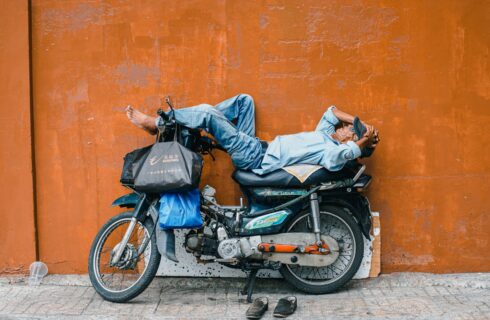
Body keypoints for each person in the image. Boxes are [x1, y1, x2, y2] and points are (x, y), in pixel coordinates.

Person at [126, 94, 379, 175]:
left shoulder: (331, 151)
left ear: (349, 139)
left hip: (255, 157)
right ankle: (192, 122)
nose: (343, 127)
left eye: (348, 130)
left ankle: (157, 122)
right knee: (244, 101)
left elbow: (345, 154)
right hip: (255, 145)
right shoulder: (325, 136)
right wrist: (361, 123)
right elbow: (332, 111)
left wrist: (362, 140)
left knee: (206, 113)